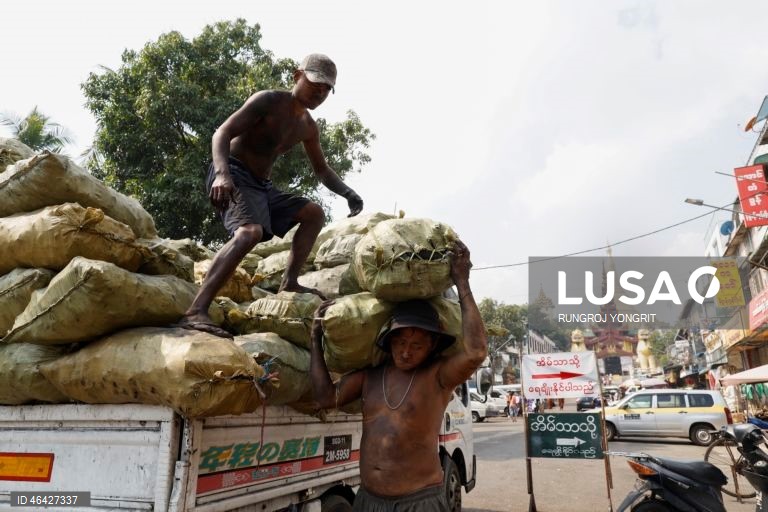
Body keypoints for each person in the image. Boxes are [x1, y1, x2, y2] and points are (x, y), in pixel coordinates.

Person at [176, 53, 363, 339]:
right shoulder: (269, 101)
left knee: (313, 213)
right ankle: (195, 310)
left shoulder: (308, 127)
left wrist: (349, 193)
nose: (320, 92)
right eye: (315, 83)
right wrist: (223, 174)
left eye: (326, 89)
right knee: (249, 232)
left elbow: (322, 170)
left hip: (262, 187)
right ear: (296, 75)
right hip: (233, 174)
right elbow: (221, 133)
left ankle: (289, 281)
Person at [309, 240, 486, 511]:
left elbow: (475, 352)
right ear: (387, 341)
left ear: (432, 346)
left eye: (416, 345)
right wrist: (315, 339)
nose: (405, 352)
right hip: (369, 500)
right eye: (400, 342)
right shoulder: (370, 377)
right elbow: (324, 398)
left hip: (419, 501)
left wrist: (462, 281)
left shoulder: (437, 377)